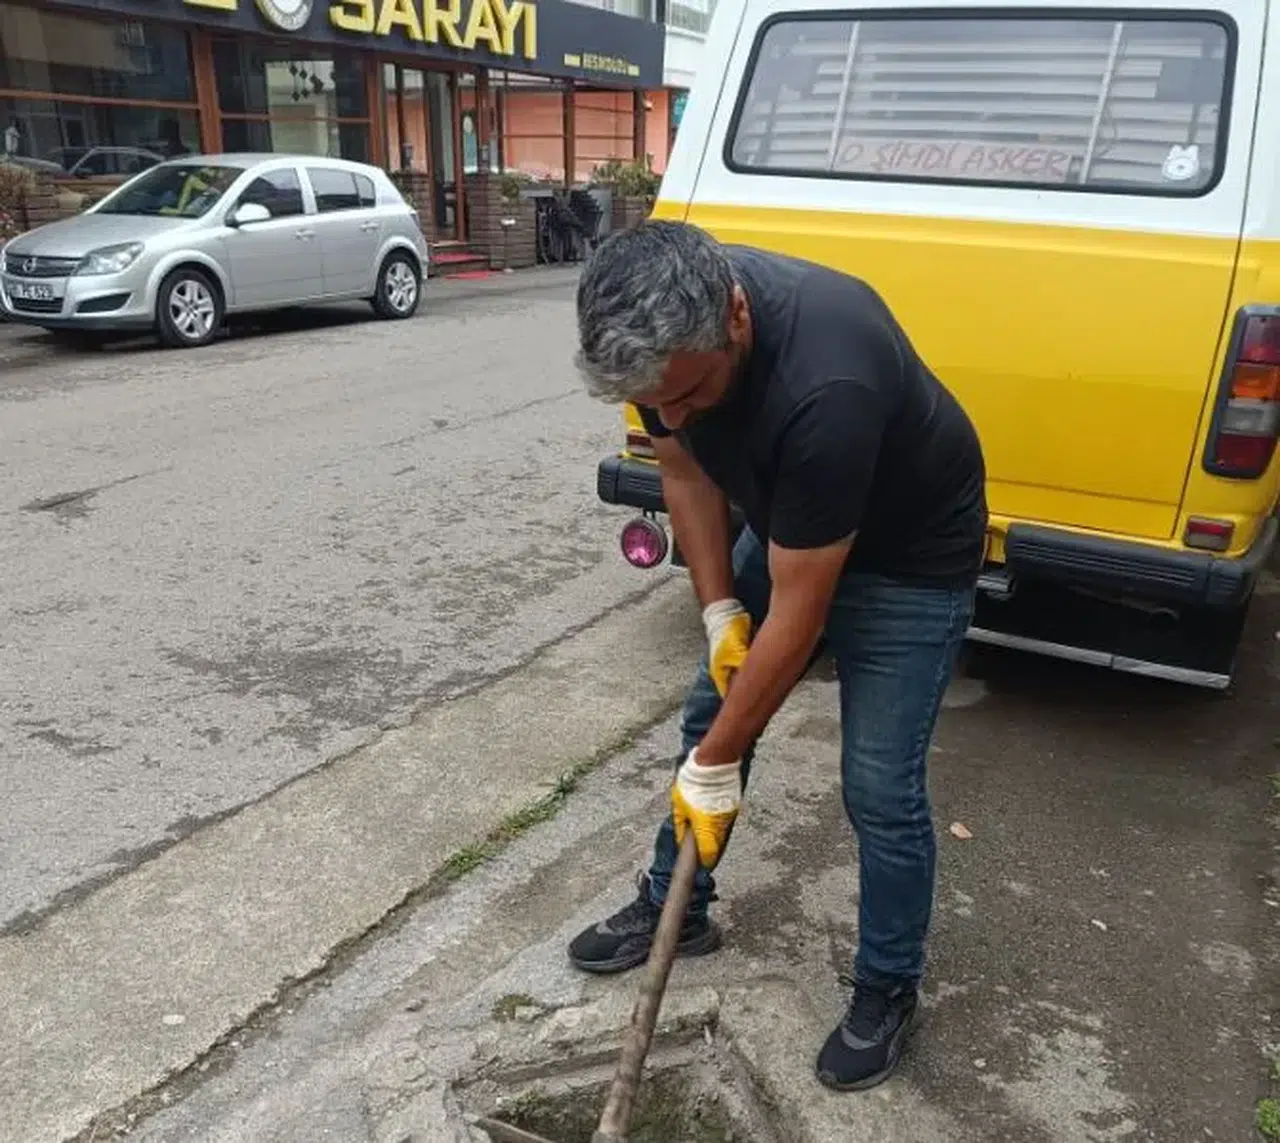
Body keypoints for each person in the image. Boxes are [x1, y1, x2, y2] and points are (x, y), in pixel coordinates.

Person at [568, 220, 987, 1092]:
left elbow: (803, 613)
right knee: (706, 713)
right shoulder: (666, 343)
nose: (672, 416)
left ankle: (886, 986)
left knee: (879, 782)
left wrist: (715, 763)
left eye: (689, 394)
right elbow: (683, 474)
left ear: (738, 321)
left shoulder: (826, 380)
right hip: (795, 521)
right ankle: (675, 908)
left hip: (910, 556)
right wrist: (720, 608)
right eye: (659, 402)